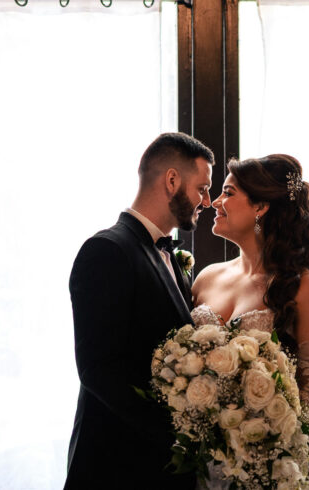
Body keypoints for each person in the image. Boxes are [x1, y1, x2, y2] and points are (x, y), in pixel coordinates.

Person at [65, 132, 214, 490]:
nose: (207, 201)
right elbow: (98, 370)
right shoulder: (106, 250)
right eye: (203, 188)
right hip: (115, 467)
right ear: (172, 180)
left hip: (158, 471)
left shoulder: (170, 257)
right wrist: (180, 432)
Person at [191, 154, 309, 486]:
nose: (215, 201)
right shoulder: (205, 278)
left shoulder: (304, 290)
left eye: (228, 193)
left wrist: (249, 422)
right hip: (204, 464)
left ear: (261, 207)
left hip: (270, 468)